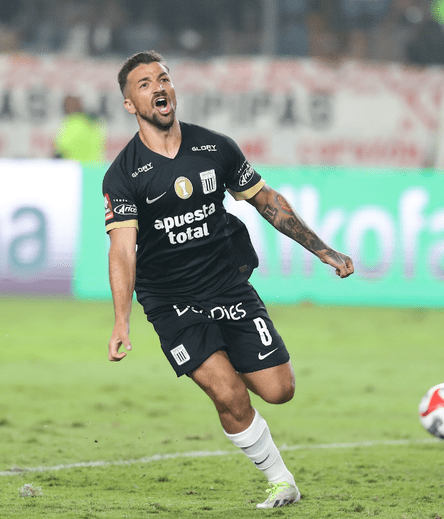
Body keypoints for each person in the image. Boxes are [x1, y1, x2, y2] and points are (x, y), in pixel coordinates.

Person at [102, 50, 354, 509]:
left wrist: (323, 250)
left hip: (228, 286)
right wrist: (122, 321)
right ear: (129, 104)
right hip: (171, 301)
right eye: (144, 84)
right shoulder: (123, 175)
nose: (158, 87)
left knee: (280, 391)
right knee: (228, 394)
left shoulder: (215, 147)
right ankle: (282, 482)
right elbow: (122, 249)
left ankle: (223, 357)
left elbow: (267, 201)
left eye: (163, 78)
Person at [54, 94, 105, 162]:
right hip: (95, 168)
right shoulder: (94, 123)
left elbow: (62, 148)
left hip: (75, 168)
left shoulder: (73, 123)